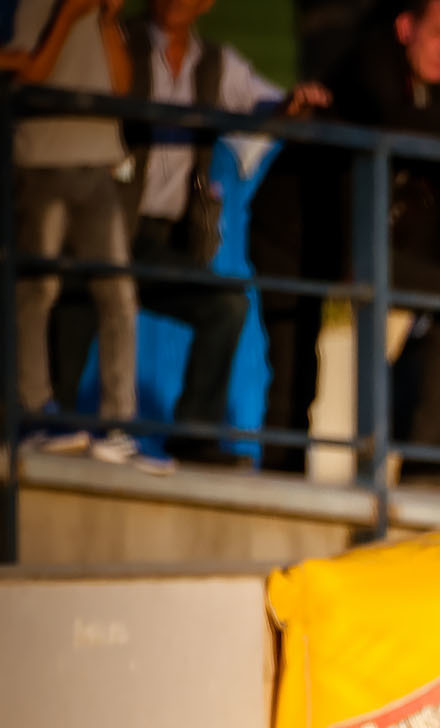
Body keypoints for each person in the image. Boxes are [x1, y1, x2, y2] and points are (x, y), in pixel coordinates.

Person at [248, 0, 440, 476]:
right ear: (406, 26)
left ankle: (431, 459)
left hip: (367, 241)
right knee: (293, 366)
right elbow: (393, 119)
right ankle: (281, 474)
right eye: (438, 35)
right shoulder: (369, 61)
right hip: (298, 231)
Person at [46, 0, 329, 466]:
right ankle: (55, 424)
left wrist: (294, 105)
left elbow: (272, 107)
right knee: (80, 294)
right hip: (103, 221)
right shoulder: (119, 43)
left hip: (159, 238)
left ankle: (194, 435)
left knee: (224, 304)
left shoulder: (217, 65)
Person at [7, 0, 152, 466]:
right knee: (37, 290)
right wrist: (67, 17)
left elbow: (123, 87)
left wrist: (107, 20)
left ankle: (118, 424)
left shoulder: (100, 12)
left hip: (98, 164)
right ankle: (33, 412)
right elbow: (31, 73)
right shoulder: (33, 5)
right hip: (43, 162)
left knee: (118, 294)